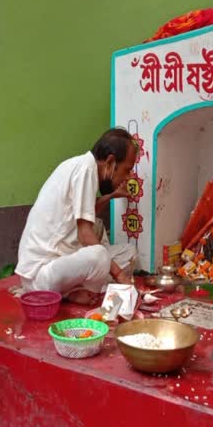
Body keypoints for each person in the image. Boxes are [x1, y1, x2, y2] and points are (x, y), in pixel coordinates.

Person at [15, 128, 138, 304]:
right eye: (127, 170)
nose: (128, 176)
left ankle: (72, 292)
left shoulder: (82, 166)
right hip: (42, 275)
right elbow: (84, 234)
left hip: (59, 266)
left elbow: (85, 215)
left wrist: (110, 196)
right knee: (100, 256)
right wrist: (119, 275)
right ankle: (76, 290)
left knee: (129, 252)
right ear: (110, 161)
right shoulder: (86, 170)